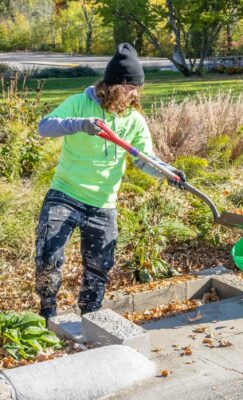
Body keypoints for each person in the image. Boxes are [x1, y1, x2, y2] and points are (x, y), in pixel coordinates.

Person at [35, 43, 186, 321]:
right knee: (48, 254)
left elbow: (144, 159)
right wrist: (80, 124)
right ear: (115, 85)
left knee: (100, 266)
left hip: (103, 202)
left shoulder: (134, 120)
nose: (135, 93)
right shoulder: (80, 103)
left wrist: (168, 172)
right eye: (130, 88)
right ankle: (48, 313)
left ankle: (90, 314)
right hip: (65, 193)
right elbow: (44, 127)